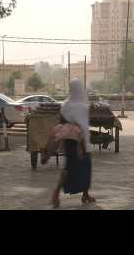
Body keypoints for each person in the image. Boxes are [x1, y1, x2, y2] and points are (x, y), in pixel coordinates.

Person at [46, 79, 95, 208]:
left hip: (69, 141)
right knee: (85, 168)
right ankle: (83, 194)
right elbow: (85, 125)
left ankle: (58, 194)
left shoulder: (65, 105)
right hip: (81, 141)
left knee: (68, 168)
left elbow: (61, 123)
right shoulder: (84, 106)